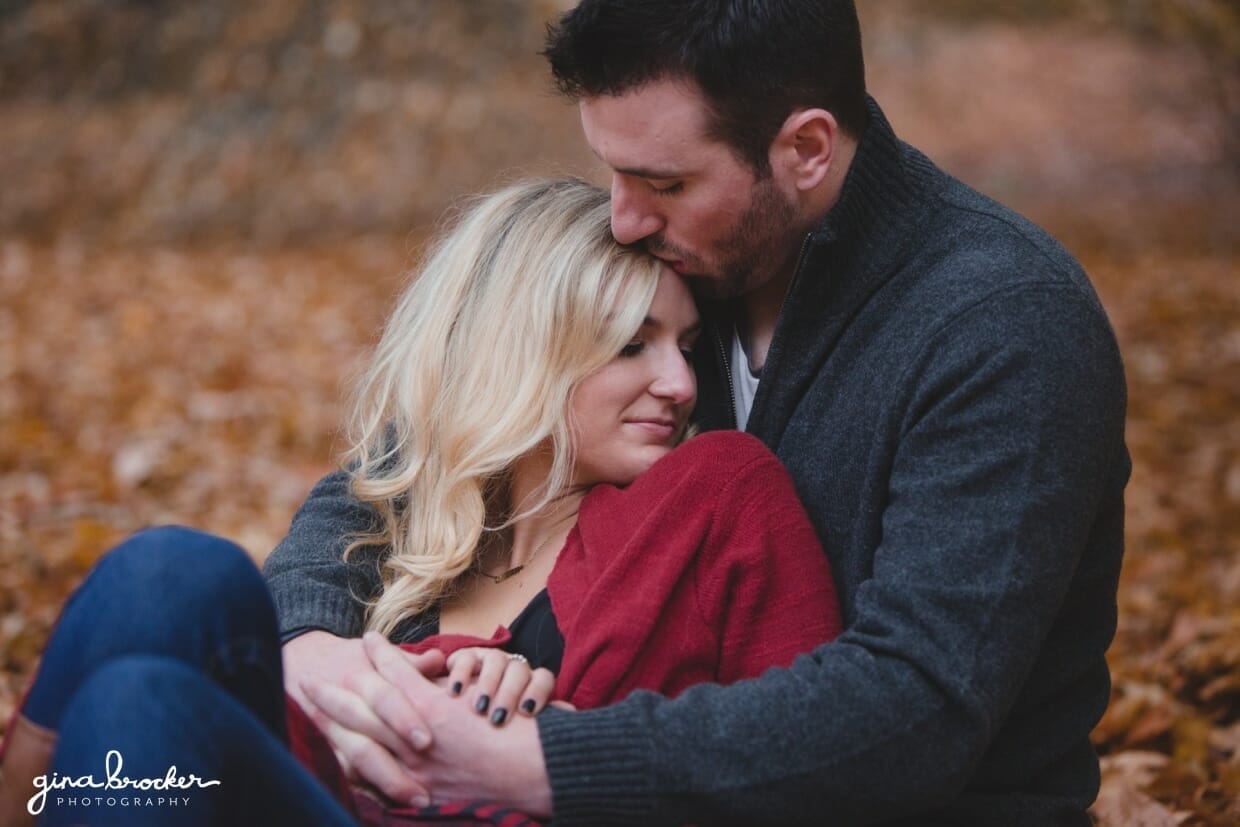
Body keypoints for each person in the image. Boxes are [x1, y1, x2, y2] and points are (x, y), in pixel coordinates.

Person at [267, 1, 1130, 825]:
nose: (623, 216)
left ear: (807, 149)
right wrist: (307, 641)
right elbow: (412, 461)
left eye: (664, 180)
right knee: (168, 611)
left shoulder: (1001, 322)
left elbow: (921, 705)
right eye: (612, 170)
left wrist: (540, 762)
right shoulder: (688, 261)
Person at [0, 177, 842, 827]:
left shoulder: (718, 493)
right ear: (522, 355)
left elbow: (814, 760)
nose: (681, 383)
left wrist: (568, 739)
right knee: (165, 593)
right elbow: (379, 485)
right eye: (632, 345)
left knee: (140, 695)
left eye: (688, 345)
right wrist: (337, 665)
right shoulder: (414, 517)